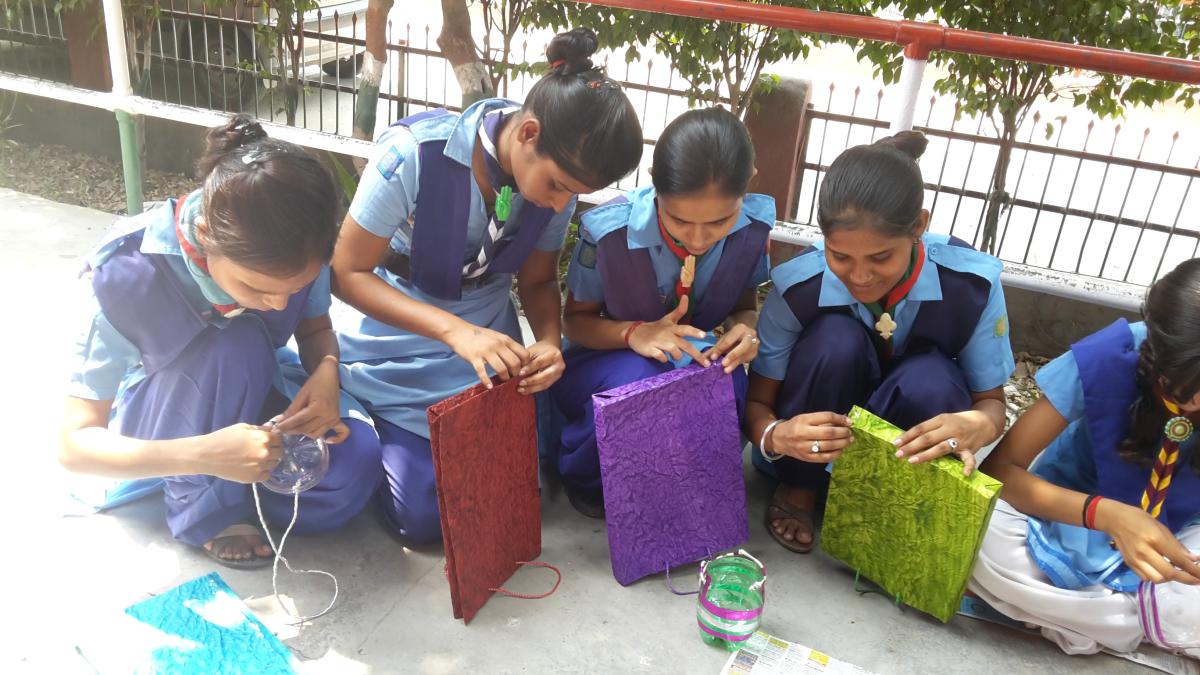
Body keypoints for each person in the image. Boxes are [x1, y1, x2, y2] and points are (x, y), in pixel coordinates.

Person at [331, 27, 644, 542]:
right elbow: (347, 272)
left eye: (576, 195)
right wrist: (455, 332)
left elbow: (539, 279)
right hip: (396, 339)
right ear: (528, 134)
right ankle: (370, 417)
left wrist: (546, 343)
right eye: (559, 186)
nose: (561, 205)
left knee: (507, 498)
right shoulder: (414, 154)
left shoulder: (550, 190)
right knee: (430, 520)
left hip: (491, 349)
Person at [60, 115, 382, 568]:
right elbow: (73, 444)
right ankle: (203, 505)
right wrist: (203, 454)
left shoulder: (299, 243)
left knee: (347, 474)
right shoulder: (125, 277)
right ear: (207, 235)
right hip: (167, 415)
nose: (277, 305)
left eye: (295, 288)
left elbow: (314, 329)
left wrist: (326, 370)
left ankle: (240, 476)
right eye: (257, 288)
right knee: (235, 343)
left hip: (255, 382)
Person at [745, 131, 1014, 553]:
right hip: (809, 446)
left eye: (881, 257)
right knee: (835, 340)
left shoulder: (971, 287)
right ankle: (801, 488)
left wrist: (979, 424)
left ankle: (886, 500)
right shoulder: (799, 287)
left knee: (933, 377)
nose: (860, 276)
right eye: (840, 256)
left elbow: (991, 403)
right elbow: (757, 403)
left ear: (920, 227)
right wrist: (779, 436)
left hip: (907, 435)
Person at [969, 258, 1200, 658]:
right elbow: (1000, 472)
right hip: (1066, 522)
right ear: (1158, 351)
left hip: (1180, 536)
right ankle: (1147, 620)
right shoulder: (1107, 358)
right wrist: (1107, 515)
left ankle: (1093, 616)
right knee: (980, 536)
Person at [551, 106, 773, 517]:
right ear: (655, 187)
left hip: (690, 363)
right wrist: (635, 333)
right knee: (649, 378)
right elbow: (575, 322)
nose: (699, 239)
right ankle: (588, 478)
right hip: (607, 362)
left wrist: (746, 329)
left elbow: (743, 308)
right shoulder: (610, 234)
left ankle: (670, 479)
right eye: (679, 220)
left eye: (720, 221)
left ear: (748, 186)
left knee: (722, 374)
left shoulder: (752, 232)